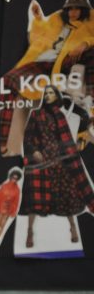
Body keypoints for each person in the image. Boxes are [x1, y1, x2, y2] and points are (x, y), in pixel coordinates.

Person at [0, 0, 94, 155]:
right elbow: (38, 36)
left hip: (67, 62)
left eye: (77, 9)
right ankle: (3, 141)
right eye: (70, 9)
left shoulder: (90, 22)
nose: (73, 12)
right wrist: (38, 18)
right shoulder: (58, 18)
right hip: (44, 61)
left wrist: (85, 43)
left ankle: (90, 109)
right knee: (7, 80)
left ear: (84, 10)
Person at [19, 83, 94, 248]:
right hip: (41, 158)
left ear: (57, 97)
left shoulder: (61, 115)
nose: (48, 96)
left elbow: (66, 139)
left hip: (59, 157)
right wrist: (35, 151)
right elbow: (28, 137)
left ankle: (72, 227)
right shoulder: (35, 113)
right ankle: (30, 230)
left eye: (51, 93)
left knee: (68, 191)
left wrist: (70, 154)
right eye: (46, 93)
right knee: (35, 195)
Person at [0, 167, 22, 254]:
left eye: (16, 178)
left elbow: (16, 201)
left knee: (3, 226)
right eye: (13, 177)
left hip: (9, 209)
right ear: (10, 177)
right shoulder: (4, 186)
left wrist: (14, 211)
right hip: (1, 206)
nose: (14, 179)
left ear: (18, 179)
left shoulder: (17, 190)